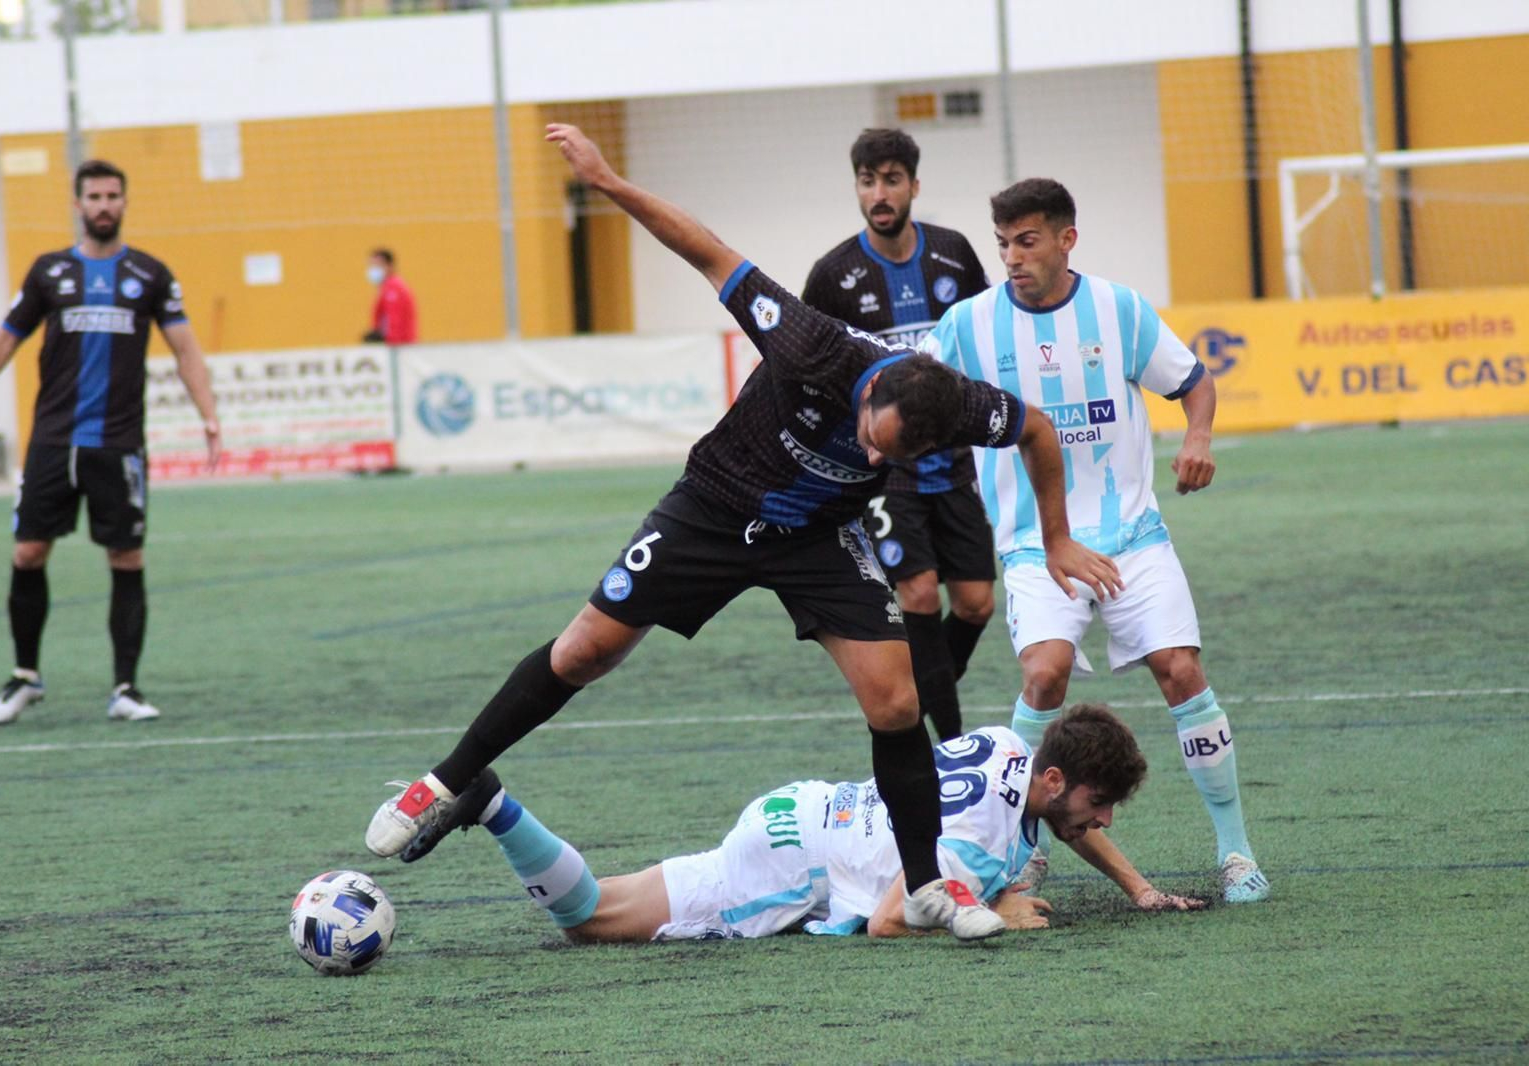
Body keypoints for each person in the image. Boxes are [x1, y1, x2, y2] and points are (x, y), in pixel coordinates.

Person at [364, 123, 1124, 942]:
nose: (872, 450)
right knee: (585, 651)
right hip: (715, 509)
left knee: (897, 698)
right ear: (869, 394)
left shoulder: (960, 402)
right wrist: (610, 182)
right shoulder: (809, 343)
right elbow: (707, 250)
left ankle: (931, 885)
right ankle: (444, 784)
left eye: (891, 453)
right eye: (873, 432)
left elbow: (1039, 430)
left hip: (819, 538)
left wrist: (1055, 539)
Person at [922, 177, 1270, 904]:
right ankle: (1024, 845)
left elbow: (1194, 383)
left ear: (1065, 238)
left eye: (1028, 240)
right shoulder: (968, 325)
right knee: (1045, 674)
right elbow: (912, 390)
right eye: (1004, 244)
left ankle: (1235, 851)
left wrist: (1197, 437)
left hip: (1133, 537)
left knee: (1180, 670)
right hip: (1031, 544)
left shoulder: (1119, 309)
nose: (1013, 257)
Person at [401, 703, 1203, 942]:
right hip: (792, 866)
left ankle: (495, 804)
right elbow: (893, 919)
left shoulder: (1006, 745)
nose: (1100, 820)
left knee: (598, 904)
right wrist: (993, 909)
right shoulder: (980, 840)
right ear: (1055, 779)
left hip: (804, 809)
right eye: (1098, 803)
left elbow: (1059, 821)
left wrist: (1138, 886)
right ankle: (495, 805)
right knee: (592, 924)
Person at [0, 159, 222, 725]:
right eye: (94, 196)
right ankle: (24, 677)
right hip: (53, 442)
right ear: (78, 204)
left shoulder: (150, 275)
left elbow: (186, 350)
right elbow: (4, 341)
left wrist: (208, 415)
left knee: (126, 556)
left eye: (114, 194)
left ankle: (126, 688)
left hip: (118, 445)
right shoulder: (49, 273)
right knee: (28, 551)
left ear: (125, 202)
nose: (104, 204)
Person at [803, 128, 996, 743]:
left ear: (914, 185)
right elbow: (809, 362)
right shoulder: (833, 274)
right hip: (886, 469)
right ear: (857, 187)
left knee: (974, 603)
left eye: (891, 179)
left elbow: (982, 335)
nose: (879, 193)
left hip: (954, 459)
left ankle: (920, 686)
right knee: (915, 592)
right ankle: (953, 744)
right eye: (868, 181)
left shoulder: (954, 254)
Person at [362, 248, 418, 344]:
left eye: (378, 265)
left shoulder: (393, 288)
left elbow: (395, 322)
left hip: (398, 347)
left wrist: (390, 346)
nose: (373, 269)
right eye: (371, 265)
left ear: (390, 266)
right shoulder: (386, 288)